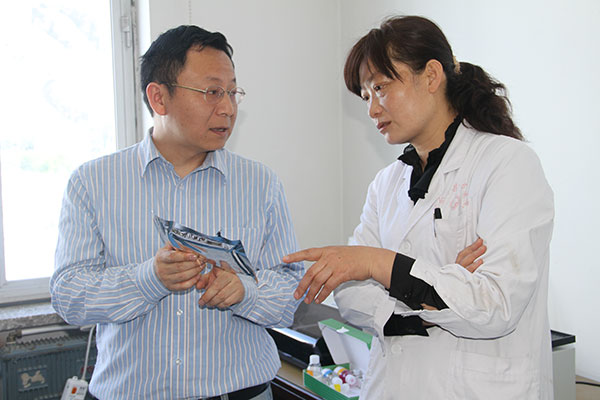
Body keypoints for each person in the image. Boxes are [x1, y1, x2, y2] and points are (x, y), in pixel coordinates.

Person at [284, 15, 554, 399]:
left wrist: (380, 265)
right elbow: (350, 293)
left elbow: (495, 304)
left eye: (380, 87)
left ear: (430, 76)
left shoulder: (507, 164)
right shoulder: (386, 183)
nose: (372, 110)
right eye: (365, 96)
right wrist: (432, 294)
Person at [50, 25, 304, 400]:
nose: (228, 108)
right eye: (212, 92)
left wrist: (245, 291)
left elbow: (291, 294)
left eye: (233, 92)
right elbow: (69, 296)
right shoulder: (93, 183)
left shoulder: (260, 184)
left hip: (239, 392)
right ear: (159, 98)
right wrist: (149, 278)